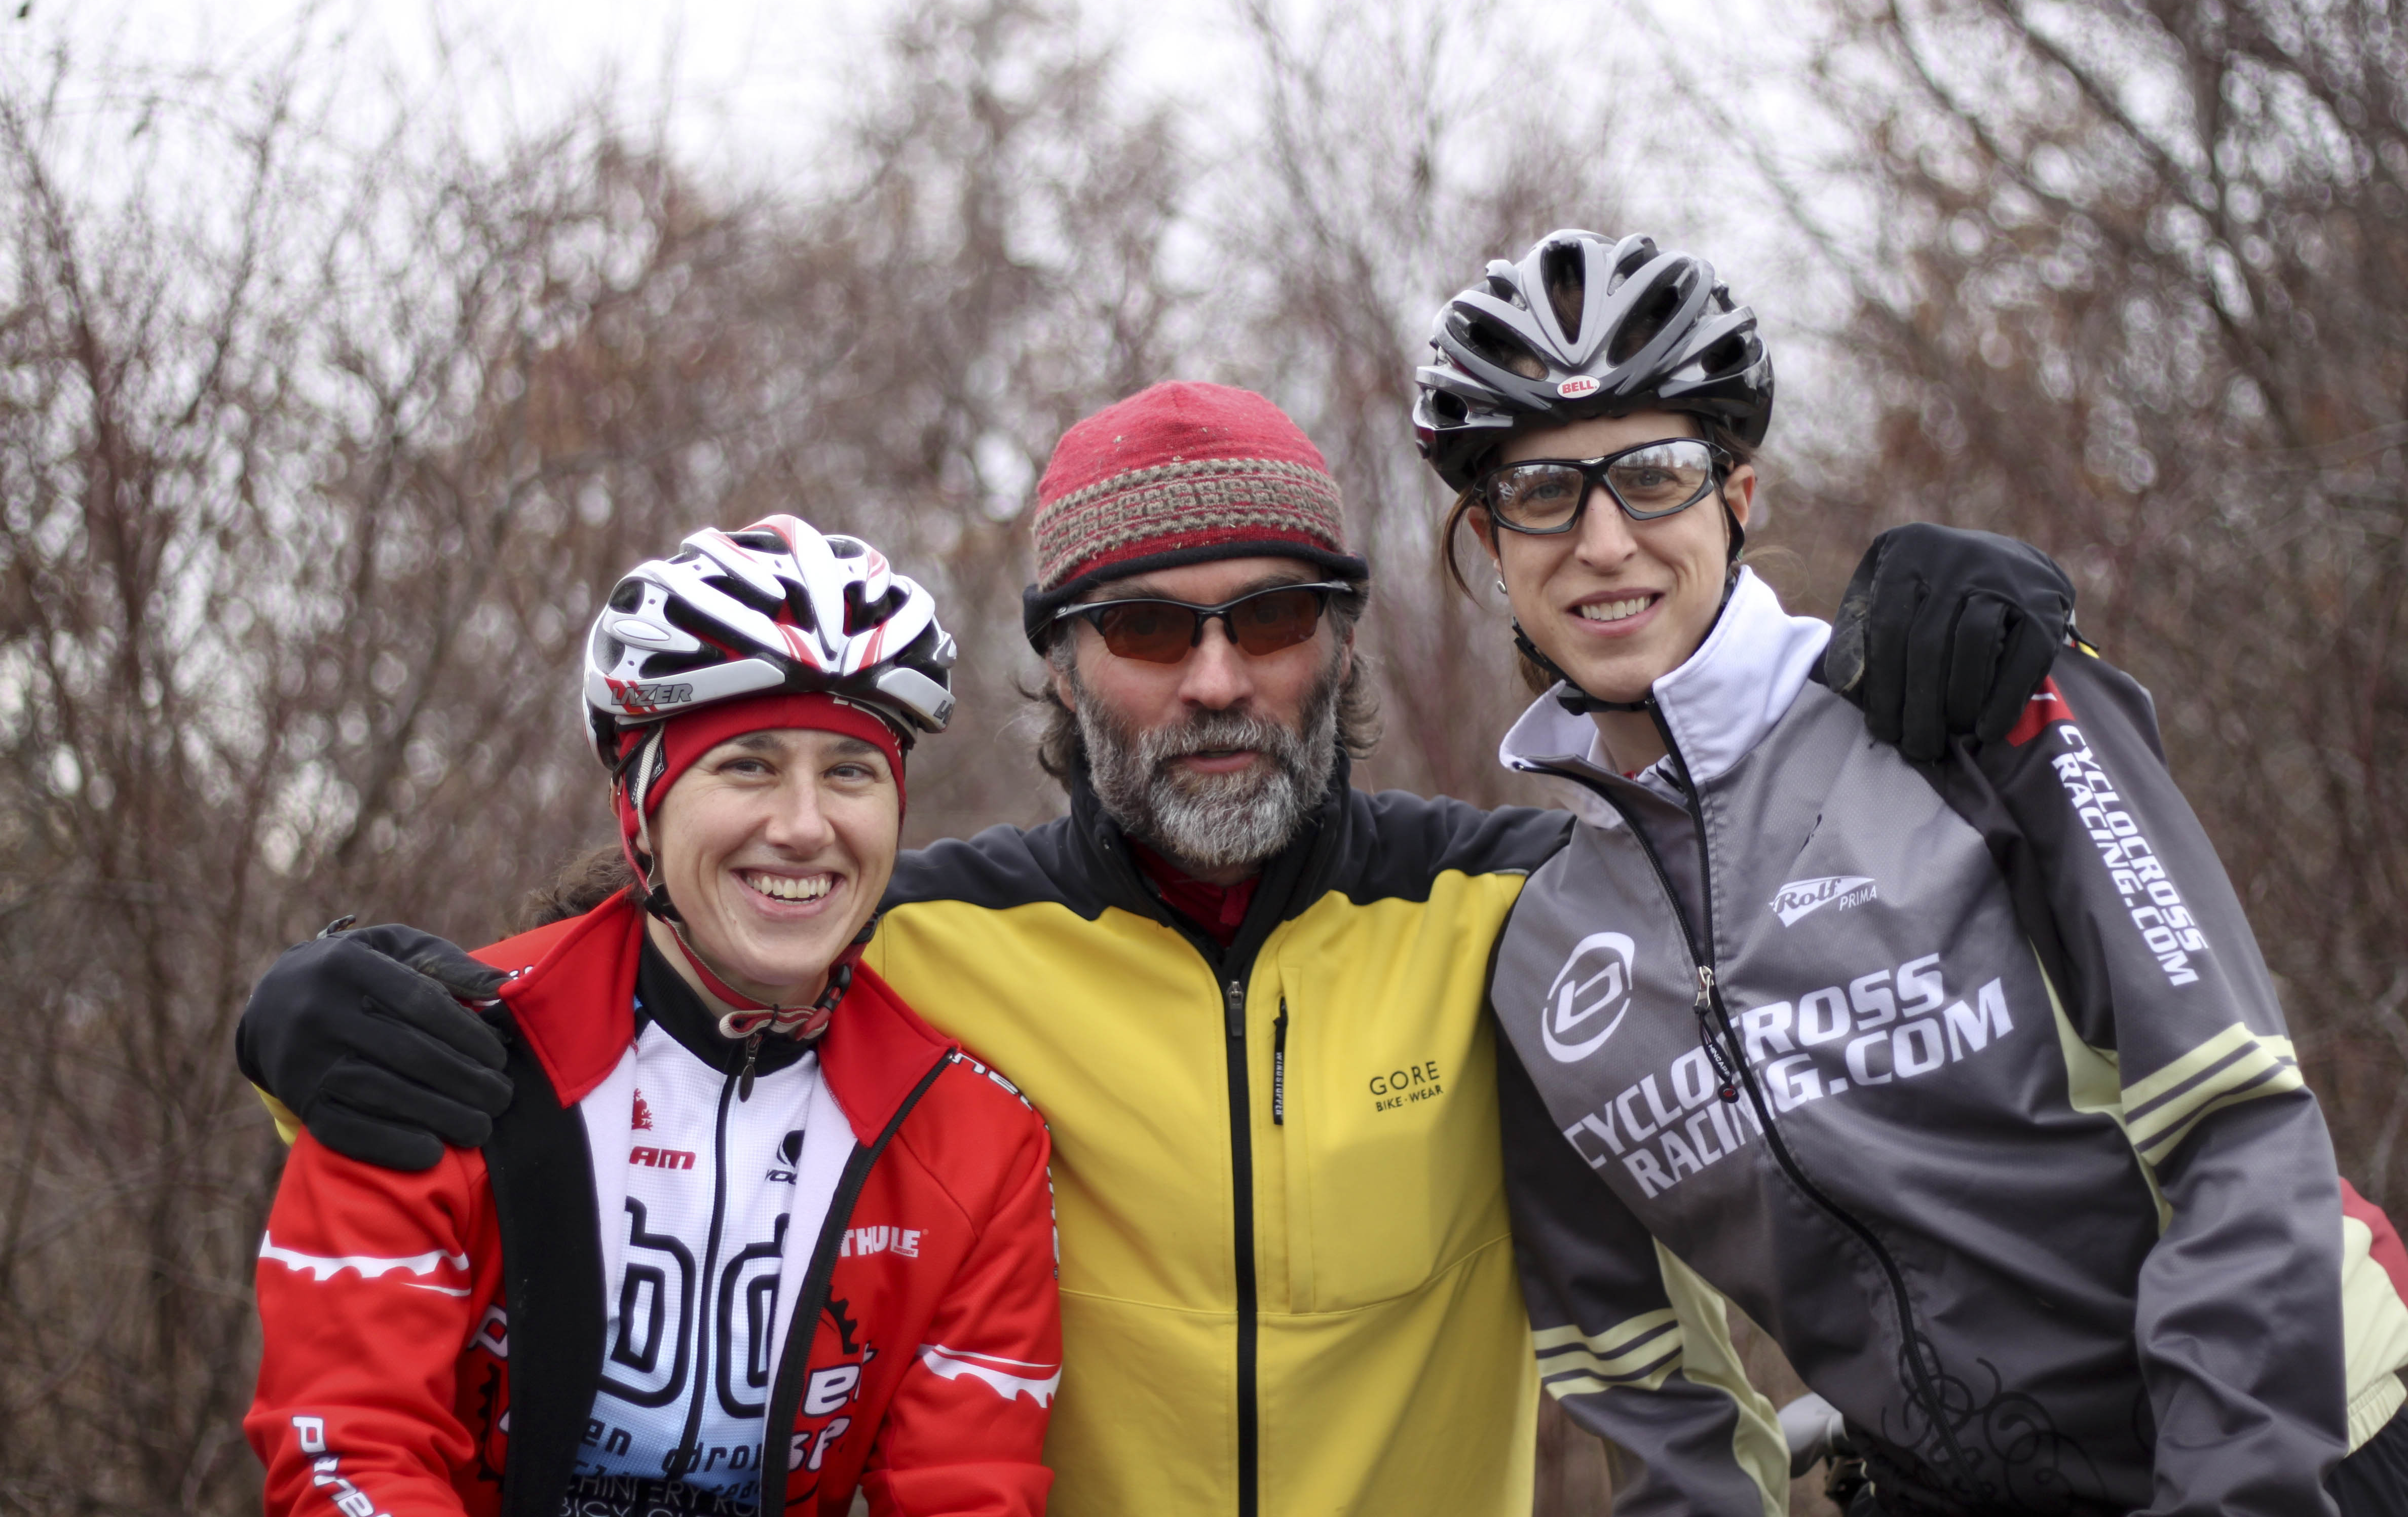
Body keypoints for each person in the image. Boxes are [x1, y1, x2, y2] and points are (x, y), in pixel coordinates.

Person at [237, 383, 2080, 1515]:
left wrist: (1922, 667)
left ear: (1341, 641)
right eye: (1141, 626)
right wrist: (313, 1004)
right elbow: (612, 990)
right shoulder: (925, 932)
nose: (1214, 678)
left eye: (1270, 615)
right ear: (1057, 659)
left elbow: (1844, 953)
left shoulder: (1518, 909)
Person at [1416, 227, 2408, 1515]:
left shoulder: (1971, 702)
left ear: (1738, 495)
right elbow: (1643, 1381)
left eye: (1653, 475)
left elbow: (2237, 1121)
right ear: (1492, 543)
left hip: (2307, 1447)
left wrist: (2234, 1489)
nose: (1603, 542)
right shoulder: (1540, 952)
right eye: (1544, 491)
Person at [244, 517, 1062, 1517]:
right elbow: (348, 1453)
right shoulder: (441, 1055)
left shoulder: (975, 1141)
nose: (805, 827)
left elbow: (963, 1495)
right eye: (748, 766)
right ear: (641, 812)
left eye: (850, 772)